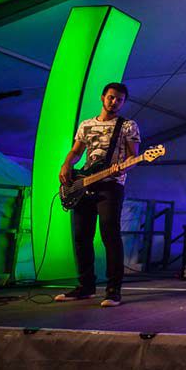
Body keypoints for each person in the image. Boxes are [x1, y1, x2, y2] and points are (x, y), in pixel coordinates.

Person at [55, 83, 141, 307]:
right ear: (103, 97)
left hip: (111, 186)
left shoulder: (128, 126)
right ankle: (86, 286)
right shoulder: (86, 124)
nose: (115, 102)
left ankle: (113, 290)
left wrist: (124, 167)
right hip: (84, 184)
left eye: (120, 100)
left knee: (110, 236)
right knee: (81, 237)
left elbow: (133, 157)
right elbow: (76, 151)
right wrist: (66, 165)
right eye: (111, 97)